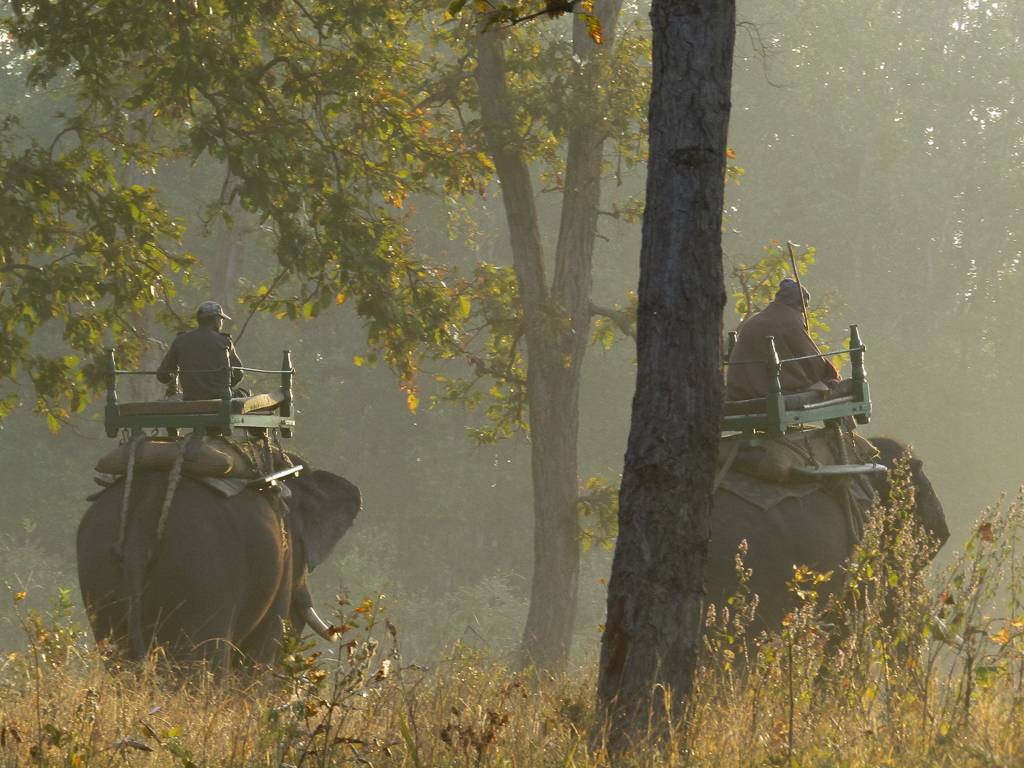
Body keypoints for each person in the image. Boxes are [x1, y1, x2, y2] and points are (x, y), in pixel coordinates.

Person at [726, 278, 840, 401]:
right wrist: (831, 375)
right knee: (831, 385)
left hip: (740, 392)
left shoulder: (753, 321)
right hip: (771, 392)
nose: (803, 312)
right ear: (797, 304)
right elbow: (812, 363)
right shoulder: (792, 320)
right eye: (803, 307)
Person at [157, 302, 244, 401]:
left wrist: (172, 381)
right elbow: (238, 374)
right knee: (244, 394)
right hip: (219, 399)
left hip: (189, 398)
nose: (222, 322)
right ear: (216, 320)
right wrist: (224, 384)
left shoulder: (180, 340)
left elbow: (162, 375)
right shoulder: (224, 341)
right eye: (221, 319)